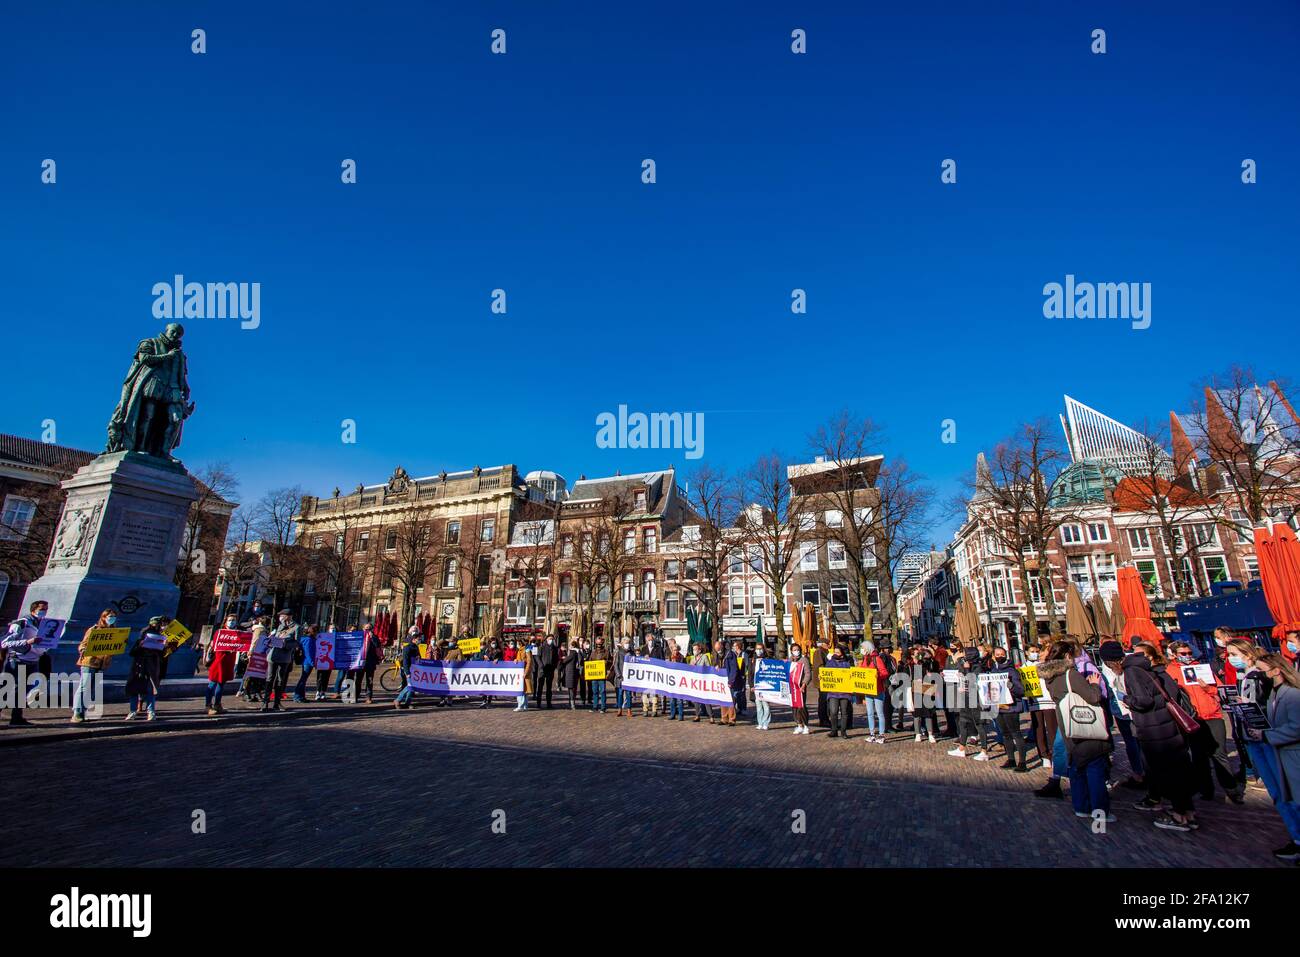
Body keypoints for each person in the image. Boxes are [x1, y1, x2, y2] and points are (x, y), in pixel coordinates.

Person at [1228, 641, 1300, 860]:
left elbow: (1295, 726)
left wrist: (1267, 734)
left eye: (1262, 671)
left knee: (1290, 795)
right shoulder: (1274, 693)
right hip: (1266, 743)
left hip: (1285, 750)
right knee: (1279, 794)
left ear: (1276, 671)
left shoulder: (1290, 694)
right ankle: (1296, 838)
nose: (1257, 674)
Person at [1124, 642, 1198, 832]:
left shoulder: (1133, 672)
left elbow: (1143, 701)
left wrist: (1126, 699)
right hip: (1169, 728)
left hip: (1154, 730)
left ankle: (1178, 815)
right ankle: (1188, 812)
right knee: (1177, 770)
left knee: (1166, 772)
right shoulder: (1158, 672)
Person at [1168, 639, 1245, 804]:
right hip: (1192, 719)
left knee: (1219, 753)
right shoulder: (1171, 671)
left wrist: (1208, 689)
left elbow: (1219, 689)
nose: (1188, 656)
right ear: (1174, 655)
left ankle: (1231, 789)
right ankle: (1206, 790)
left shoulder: (1203, 668)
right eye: (1183, 654)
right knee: (1198, 756)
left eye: (1189, 653)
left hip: (1213, 715)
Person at [1047, 645, 1114, 822]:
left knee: (1076, 765)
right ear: (1068, 655)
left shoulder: (1050, 677)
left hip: (1067, 724)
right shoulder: (1071, 675)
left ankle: (1081, 806)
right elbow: (1092, 697)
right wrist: (1094, 685)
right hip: (1084, 723)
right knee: (1094, 767)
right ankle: (1100, 812)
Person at [2, 600, 49, 726]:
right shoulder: (22, 623)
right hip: (18, 660)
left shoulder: (44, 624)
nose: (44, 611)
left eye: (46, 609)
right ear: (33, 610)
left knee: (23, 691)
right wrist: (27, 642)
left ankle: (16, 717)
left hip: (33, 661)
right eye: (42, 609)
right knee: (6, 689)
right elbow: (5, 643)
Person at [69, 608, 116, 724]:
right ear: (103, 617)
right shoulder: (94, 629)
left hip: (102, 663)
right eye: (110, 616)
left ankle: (83, 712)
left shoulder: (114, 631)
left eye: (114, 616)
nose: (112, 618)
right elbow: (83, 644)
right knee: (84, 686)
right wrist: (84, 649)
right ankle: (77, 712)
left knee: (91, 688)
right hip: (89, 662)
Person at [988, 645, 1029, 772]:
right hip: (999, 707)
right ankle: (1011, 759)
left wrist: (1011, 686)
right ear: (994, 656)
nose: (1000, 656)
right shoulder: (993, 671)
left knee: (1016, 733)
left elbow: (1021, 690)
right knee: (1005, 734)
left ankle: (1022, 762)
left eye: (1002, 654)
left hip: (1011, 707)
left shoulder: (1012, 671)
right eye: (998, 654)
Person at [948, 646, 990, 761]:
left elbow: (972, 681)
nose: (964, 656)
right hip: (965, 698)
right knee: (963, 722)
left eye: (966, 654)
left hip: (976, 699)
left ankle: (984, 751)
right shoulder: (967, 665)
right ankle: (961, 748)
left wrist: (966, 670)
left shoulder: (978, 667)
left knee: (979, 724)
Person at [125, 617, 171, 721]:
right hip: (139, 664)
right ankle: (133, 711)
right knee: (134, 688)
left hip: (153, 664)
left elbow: (163, 655)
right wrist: (140, 645)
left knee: (151, 688)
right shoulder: (143, 634)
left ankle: (150, 711)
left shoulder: (162, 636)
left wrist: (165, 646)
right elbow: (132, 652)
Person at [263, 609, 300, 712]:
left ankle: (276, 703)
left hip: (284, 656)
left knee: (280, 680)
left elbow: (297, 643)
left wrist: (285, 644)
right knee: (269, 678)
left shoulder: (296, 627)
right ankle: (265, 702)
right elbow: (277, 637)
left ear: (289, 616)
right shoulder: (280, 626)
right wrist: (271, 639)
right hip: (273, 655)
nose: (281, 617)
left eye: (283, 615)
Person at [205, 614, 239, 716]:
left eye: (233, 620)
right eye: (230, 620)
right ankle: (208, 705)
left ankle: (217, 704)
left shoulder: (237, 633)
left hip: (228, 662)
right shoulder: (219, 633)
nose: (232, 622)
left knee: (221, 684)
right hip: (218, 662)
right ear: (225, 621)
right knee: (212, 684)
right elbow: (217, 646)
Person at [859, 640, 891, 744]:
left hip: (878, 690)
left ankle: (881, 735)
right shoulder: (864, 659)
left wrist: (878, 675)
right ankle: (872, 734)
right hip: (868, 690)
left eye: (863, 648)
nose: (861, 650)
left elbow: (885, 672)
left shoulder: (877, 659)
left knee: (880, 713)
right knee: (870, 713)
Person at [910, 648, 941, 743]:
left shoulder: (929, 665)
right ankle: (918, 733)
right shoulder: (912, 666)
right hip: (917, 691)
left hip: (927, 689)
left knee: (928, 713)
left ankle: (930, 734)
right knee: (917, 714)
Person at [824, 643, 854, 739]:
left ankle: (843, 732)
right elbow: (826, 674)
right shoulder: (830, 662)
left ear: (842, 653)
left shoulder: (847, 663)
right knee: (833, 711)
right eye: (835, 652)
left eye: (838, 652)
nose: (835, 653)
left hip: (845, 692)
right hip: (833, 692)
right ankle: (834, 730)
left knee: (844, 712)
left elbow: (852, 675)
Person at [394, 631, 424, 710]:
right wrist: (407, 672)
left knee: (412, 686)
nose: (420, 640)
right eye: (418, 639)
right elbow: (405, 661)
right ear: (414, 639)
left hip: (415, 670)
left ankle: (407, 702)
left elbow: (419, 658)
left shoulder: (416, 647)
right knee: (410, 686)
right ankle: (398, 700)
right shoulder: (407, 648)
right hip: (409, 669)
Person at [292, 624, 320, 703]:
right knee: (303, 679)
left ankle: (301, 696)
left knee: (303, 679)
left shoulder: (307, 639)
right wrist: (312, 662)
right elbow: (309, 653)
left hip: (306, 661)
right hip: (308, 662)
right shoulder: (309, 640)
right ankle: (297, 696)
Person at [788, 642, 811, 734]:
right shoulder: (789, 660)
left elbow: (808, 673)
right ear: (791, 651)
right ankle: (799, 724)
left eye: (797, 650)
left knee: (801, 706)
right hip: (791, 687)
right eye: (794, 650)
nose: (796, 651)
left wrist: (804, 684)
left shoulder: (804, 660)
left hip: (800, 686)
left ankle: (805, 725)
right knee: (794, 706)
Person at [691, 642, 717, 724]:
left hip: (703, 680)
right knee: (696, 699)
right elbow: (690, 668)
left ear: (699, 649)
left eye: (695, 649)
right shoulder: (693, 658)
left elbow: (708, 667)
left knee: (706, 699)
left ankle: (711, 716)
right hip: (695, 681)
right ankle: (697, 715)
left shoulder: (704, 657)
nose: (694, 651)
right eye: (693, 649)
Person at [587, 637, 610, 713]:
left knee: (603, 691)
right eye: (597, 643)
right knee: (595, 691)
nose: (598, 645)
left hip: (601, 675)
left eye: (600, 643)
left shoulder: (606, 652)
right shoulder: (593, 652)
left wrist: (605, 663)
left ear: (602, 643)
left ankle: (603, 707)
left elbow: (610, 661)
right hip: (594, 675)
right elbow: (590, 661)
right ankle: (595, 706)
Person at [752, 642, 772, 730]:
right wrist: (751, 685)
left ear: (763, 649)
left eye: (760, 649)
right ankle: (760, 722)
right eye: (757, 649)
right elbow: (750, 674)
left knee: (766, 705)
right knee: (759, 706)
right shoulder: (752, 659)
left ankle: (766, 723)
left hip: (765, 686)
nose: (759, 651)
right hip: (756, 686)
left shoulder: (767, 659)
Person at [613, 635, 635, 717]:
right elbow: (616, 665)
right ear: (622, 644)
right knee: (620, 694)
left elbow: (636, 664)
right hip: (621, 678)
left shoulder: (632, 653)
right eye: (626, 643)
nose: (627, 644)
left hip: (629, 678)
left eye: (628, 643)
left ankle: (629, 710)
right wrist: (619, 675)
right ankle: (620, 709)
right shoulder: (619, 652)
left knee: (629, 694)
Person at [535, 634, 557, 709]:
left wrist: (554, 666)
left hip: (550, 670)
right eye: (550, 639)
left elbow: (556, 658)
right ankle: (538, 703)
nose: (551, 640)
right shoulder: (542, 647)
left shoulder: (554, 648)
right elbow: (537, 657)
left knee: (549, 687)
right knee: (540, 687)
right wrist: (541, 665)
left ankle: (549, 703)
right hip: (542, 670)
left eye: (552, 639)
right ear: (546, 639)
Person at [561, 640, 582, 710]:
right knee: (571, 688)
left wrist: (564, 657)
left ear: (572, 646)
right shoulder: (577, 652)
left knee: (571, 689)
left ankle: (572, 704)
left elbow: (565, 660)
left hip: (570, 673)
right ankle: (571, 703)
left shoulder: (572, 652)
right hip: (572, 672)